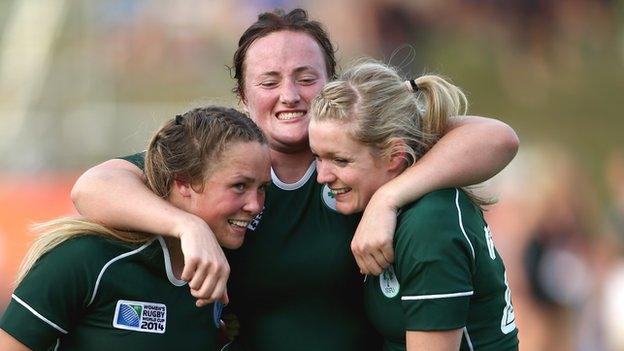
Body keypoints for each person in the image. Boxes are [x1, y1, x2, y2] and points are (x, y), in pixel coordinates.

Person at [70, 8, 519, 351]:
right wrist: (186, 227)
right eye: (269, 81)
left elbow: (496, 138)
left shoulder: (367, 152)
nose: (289, 95)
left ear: (332, 85)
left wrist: (389, 199)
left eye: (306, 78)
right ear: (242, 98)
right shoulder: (215, 164)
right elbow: (93, 186)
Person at [0, 106, 271, 351]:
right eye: (239, 186)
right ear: (184, 182)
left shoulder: (227, 265)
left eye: (262, 189)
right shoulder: (87, 259)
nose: (255, 205)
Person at [308, 59, 519, 350]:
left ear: (394, 156)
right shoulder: (401, 205)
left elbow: (502, 137)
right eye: (317, 157)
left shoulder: (430, 225)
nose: (322, 176)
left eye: (340, 160)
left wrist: (386, 198)